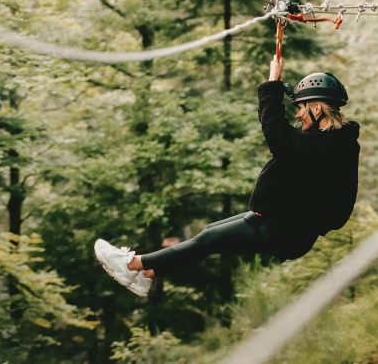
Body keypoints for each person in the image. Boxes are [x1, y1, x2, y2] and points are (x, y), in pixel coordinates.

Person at [94, 55, 360, 296]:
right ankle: (147, 274)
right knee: (209, 234)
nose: (298, 115)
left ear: (316, 109)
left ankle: (133, 264)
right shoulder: (328, 142)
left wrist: (273, 84)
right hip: (275, 222)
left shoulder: (329, 147)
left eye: (301, 108)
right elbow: (287, 143)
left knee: (208, 240)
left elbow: (279, 138)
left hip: (283, 231)